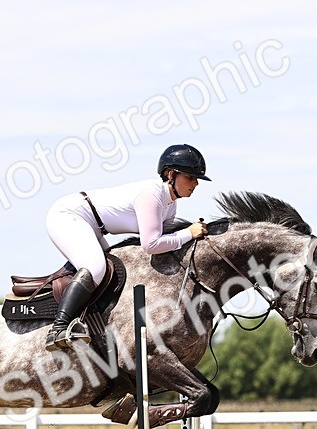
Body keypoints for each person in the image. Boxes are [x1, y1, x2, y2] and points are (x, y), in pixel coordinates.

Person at [43, 143, 211, 350]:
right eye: (190, 177)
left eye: (197, 179)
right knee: (96, 268)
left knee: (111, 269)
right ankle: (58, 328)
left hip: (93, 225)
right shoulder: (152, 195)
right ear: (170, 174)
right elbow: (151, 244)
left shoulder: (170, 204)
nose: (195, 183)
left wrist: (192, 237)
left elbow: (167, 240)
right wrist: (188, 233)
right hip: (69, 215)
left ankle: (93, 325)